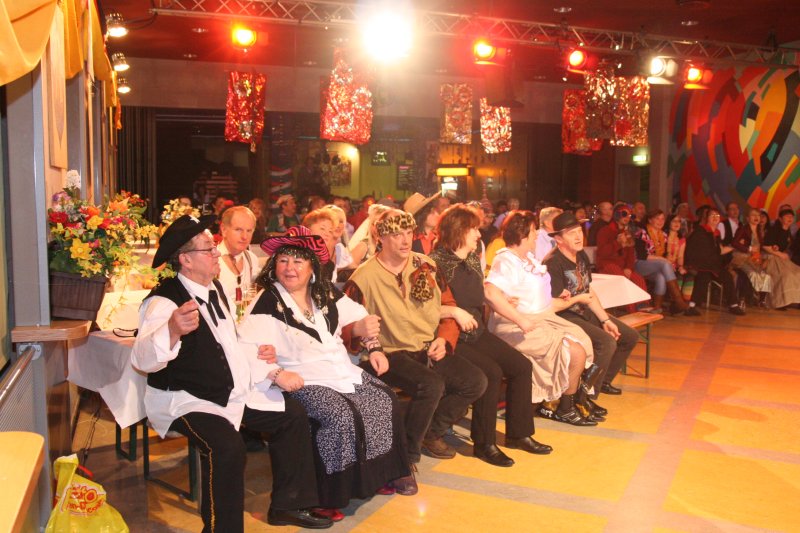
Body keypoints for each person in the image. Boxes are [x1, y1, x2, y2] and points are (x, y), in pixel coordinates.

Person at [131, 215, 332, 531]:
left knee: (292, 415)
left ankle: (288, 505)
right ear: (185, 260)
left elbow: (229, 342)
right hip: (187, 399)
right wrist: (171, 329)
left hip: (229, 390)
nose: (216, 253)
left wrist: (262, 356)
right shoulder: (162, 301)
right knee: (226, 446)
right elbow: (142, 360)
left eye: (213, 247)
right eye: (208, 249)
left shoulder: (214, 289)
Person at [238, 230, 414, 518]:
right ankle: (327, 494)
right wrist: (276, 373)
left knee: (384, 399)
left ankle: (379, 475)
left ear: (312, 268)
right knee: (338, 414)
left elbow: (360, 315)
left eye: (298, 262)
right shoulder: (268, 300)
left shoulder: (324, 292)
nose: (290, 268)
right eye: (283, 261)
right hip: (302, 376)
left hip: (340, 369)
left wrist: (375, 347)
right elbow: (245, 346)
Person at [344, 209, 487, 463]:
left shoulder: (426, 265)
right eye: (396, 234)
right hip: (389, 353)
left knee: (475, 381)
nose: (405, 240)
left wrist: (444, 339)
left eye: (409, 233)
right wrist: (363, 337)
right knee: (431, 385)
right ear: (380, 237)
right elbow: (344, 322)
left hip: (427, 346)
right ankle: (407, 455)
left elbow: (448, 305)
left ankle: (430, 432)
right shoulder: (363, 277)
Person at [430, 205, 552, 467]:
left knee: (521, 366)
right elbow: (427, 308)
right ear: (459, 230)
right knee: (492, 373)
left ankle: (519, 434)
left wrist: (503, 298)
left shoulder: (473, 258)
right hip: (451, 335)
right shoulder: (435, 262)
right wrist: (455, 313)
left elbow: (481, 294)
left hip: (476, 330)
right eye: (474, 229)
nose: (479, 234)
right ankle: (484, 444)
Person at [484, 211, 597, 427]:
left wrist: (559, 298)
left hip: (543, 316)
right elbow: (490, 293)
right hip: (516, 324)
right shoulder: (506, 260)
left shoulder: (529, 258)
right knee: (575, 351)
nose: (537, 235)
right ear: (522, 234)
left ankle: (567, 401)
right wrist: (520, 319)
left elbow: (535, 296)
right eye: (533, 231)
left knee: (584, 340)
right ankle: (564, 406)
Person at [545, 212, 639, 401]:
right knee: (606, 343)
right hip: (564, 315)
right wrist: (578, 299)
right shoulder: (553, 263)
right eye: (571, 233)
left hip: (583, 310)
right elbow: (552, 304)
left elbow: (588, 291)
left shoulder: (581, 256)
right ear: (559, 239)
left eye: (579, 231)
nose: (578, 236)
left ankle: (602, 381)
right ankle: (585, 397)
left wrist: (605, 320)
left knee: (629, 336)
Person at [684, 207, 745, 315]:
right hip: (700, 265)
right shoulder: (700, 231)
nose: (715, 218)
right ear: (707, 218)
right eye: (712, 215)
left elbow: (720, 251)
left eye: (717, 216)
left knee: (728, 276)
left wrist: (736, 246)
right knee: (703, 277)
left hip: (714, 266)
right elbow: (694, 251)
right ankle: (691, 306)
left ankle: (733, 305)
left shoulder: (716, 233)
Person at [633, 209, 689, 314]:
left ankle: (657, 307)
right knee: (664, 264)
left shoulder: (663, 235)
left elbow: (666, 255)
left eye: (662, 219)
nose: (660, 221)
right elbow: (642, 255)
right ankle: (679, 301)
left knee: (661, 276)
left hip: (656, 266)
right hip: (639, 264)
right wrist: (663, 260)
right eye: (657, 219)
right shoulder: (641, 233)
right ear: (650, 220)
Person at [595, 204, 650, 309]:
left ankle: (643, 306)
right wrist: (618, 243)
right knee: (622, 279)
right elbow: (602, 252)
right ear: (616, 215)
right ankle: (632, 310)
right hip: (606, 265)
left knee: (638, 278)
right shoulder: (605, 231)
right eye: (624, 214)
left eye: (630, 215)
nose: (627, 217)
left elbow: (630, 255)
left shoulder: (627, 233)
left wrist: (628, 267)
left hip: (621, 267)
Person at [217, 206, 261, 311]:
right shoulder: (211, 260)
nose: (244, 237)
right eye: (238, 230)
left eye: (249, 231)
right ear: (224, 230)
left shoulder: (252, 259)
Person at [730, 208, 772, 306]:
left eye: (758, 215)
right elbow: (734, 243)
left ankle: (761, 300)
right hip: (742, 257)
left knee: (766, 275)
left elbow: (759, 247)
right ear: (748, 218)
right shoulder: (743, 229)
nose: (756, 217)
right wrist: (749, 248)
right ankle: (742, 299)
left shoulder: (759, 231)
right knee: (751, 273)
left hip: (754, 258)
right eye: (753, 215)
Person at [762, 207, 800, 309]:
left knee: (797, 273)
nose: (790, 218)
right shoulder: (774, 229)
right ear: (780, 218)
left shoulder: (788, 232)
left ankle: (792, 301)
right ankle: (778, 302)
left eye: (791, 217)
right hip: (771, 258)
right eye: (787, 216)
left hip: (782, 258)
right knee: (785, 275)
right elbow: (765, 246)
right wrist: (779, 253)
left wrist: (783, 252)